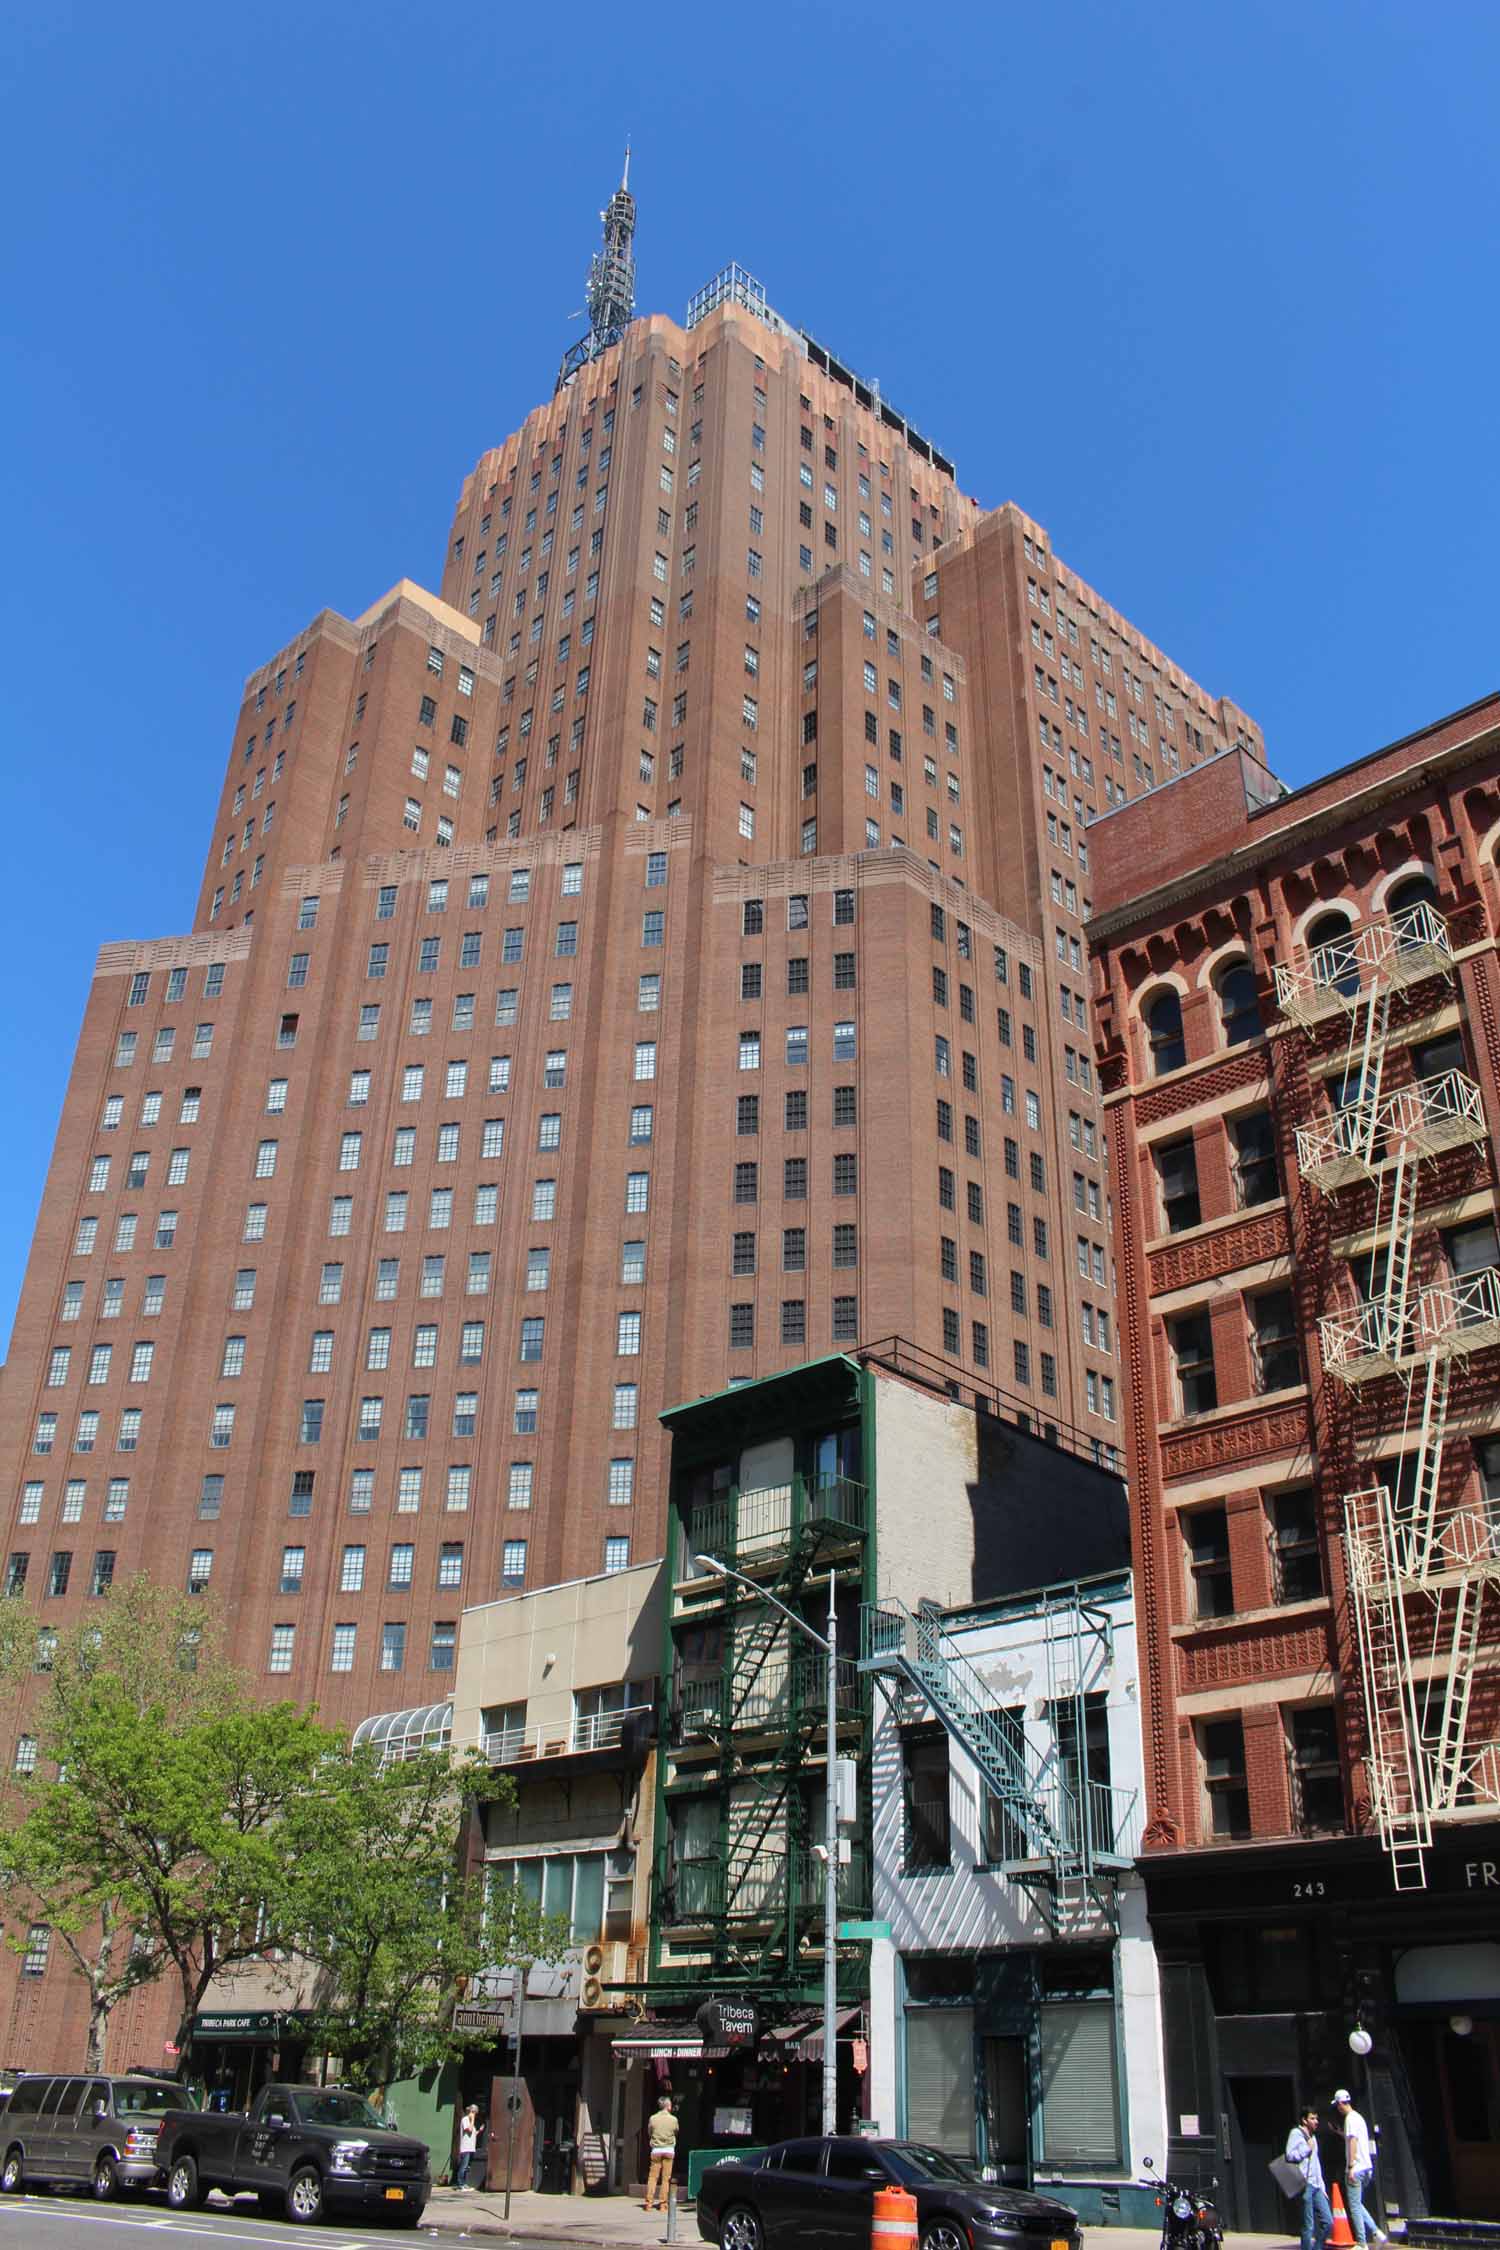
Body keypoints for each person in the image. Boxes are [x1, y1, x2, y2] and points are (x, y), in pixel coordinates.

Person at [1333, 2090, 1387, 2245]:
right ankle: (1377, 2233)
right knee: (1358, 2204)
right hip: (1366, 2168)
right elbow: (1355, 2138)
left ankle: (1362, 2244)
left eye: (1337, 2105)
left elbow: (1353, 2142)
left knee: (1354, 2207)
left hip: (1355, 2169)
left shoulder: (1349, 2119)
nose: (1338, 2108)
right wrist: (1341, 2134)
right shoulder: (1359, 2118)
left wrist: (1350, 2166)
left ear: (1340, 2104)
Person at [1286, 2107, 1333, 2250]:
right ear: (1304, 2120)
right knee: (1309, 2225)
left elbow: (1316, 2164)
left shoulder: (1313, 2137)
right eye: (1312, 2118)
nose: (1316, 2121)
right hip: (1304, 2185)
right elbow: (1289, 2155)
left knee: (1328, 2222)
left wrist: (1322, 2187)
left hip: (1316, 2185)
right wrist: (1306, 2148)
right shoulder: (1296, 2133)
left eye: (1317, 2118)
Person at [644, 2092, 679, 2212]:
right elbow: (676, 2132)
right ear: (668, 2106)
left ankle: (649, 2203)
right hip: (669, 2150)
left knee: (653, 2177)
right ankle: (663, 2204)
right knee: (666, 2179)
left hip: (656, 2150)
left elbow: (649, 2132)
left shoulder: (653, 2118)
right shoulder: (673, 2119)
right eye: (670, 2105)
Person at [455, 2103, 481, 2191]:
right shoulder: (465, 2119)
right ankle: (460, 2184)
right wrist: (472, 2119)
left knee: (467, 2167)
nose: (475, 2114)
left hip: (471, 2148)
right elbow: (469, 2130)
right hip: (465, 2148)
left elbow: (472, 2134)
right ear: (471, 2111)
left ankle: (464, 2183)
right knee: (463, 2166)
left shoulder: (471, 2122)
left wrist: (479, 2131)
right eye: (474, 2112)